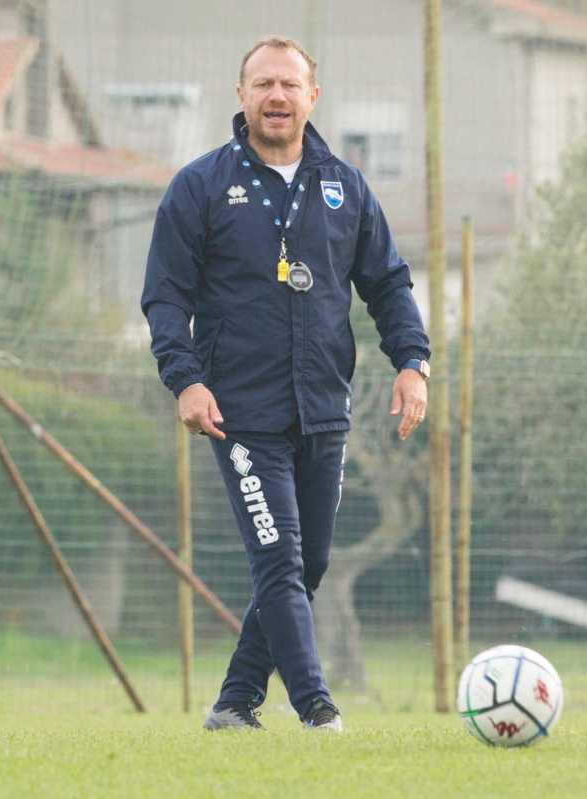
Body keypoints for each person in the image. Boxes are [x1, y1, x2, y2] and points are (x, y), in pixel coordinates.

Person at [140, 37, 430, 732]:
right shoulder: (200, 186)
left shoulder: (345, 186)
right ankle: (316, 708)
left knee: (310, 564)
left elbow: (387, 284)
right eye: (263, 84)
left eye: (289, 85)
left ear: (311, 97)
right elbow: (163, 296)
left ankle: (236, 700)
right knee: (279, 560)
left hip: (324, 407)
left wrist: (413, 363)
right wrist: (185, 381)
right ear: (240, 96)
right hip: (238, 414)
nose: (277, 96)